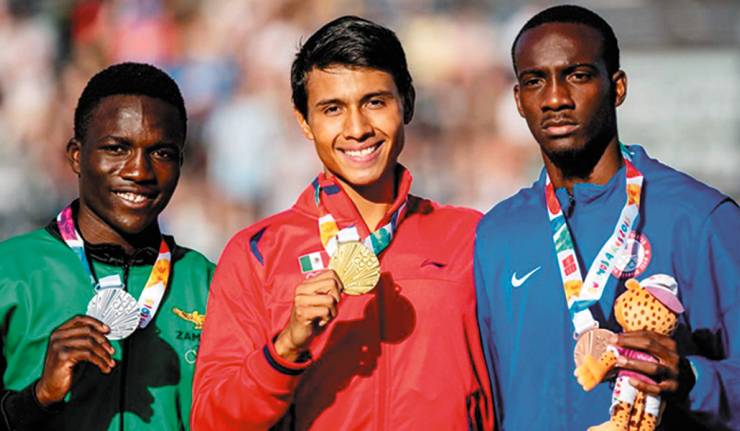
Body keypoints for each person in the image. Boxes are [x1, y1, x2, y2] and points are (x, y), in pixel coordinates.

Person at [191, 16, 493, 430]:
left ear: (407, 102)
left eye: (375, 102)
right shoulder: (257, 253)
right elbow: (213, 420)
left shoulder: (471, 237)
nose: (357, 129)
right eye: (332, 109)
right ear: (304, 121)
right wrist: (287, 346)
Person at [475, 4, 739, 430]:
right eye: (536, 81)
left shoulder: (701, 219)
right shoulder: (497, 235)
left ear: (617, 87)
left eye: (577, 76)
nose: (556, 98)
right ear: (519, 100)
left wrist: (692, 379)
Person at [0, 62, 214, 430]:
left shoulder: (211, 283)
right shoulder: (10, 271)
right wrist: (39, 396)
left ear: (180, 163)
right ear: (76, 155)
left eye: (161, 153)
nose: (139, 171)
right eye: (117, 148)